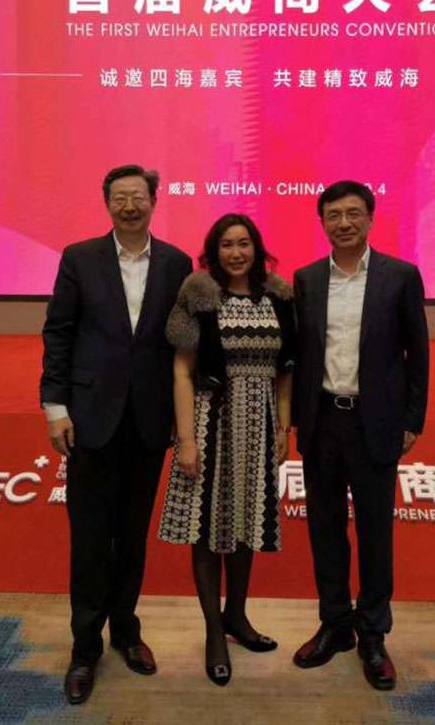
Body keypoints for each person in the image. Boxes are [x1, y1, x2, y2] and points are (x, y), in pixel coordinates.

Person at [40, 164, 192, 705]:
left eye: (138, 197)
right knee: (89, 539)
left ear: (154, 201)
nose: (129, 206)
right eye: (120, 197)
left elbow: (182, 345)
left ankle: (126, 630)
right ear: (107, 203)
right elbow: (59, 333)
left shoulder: (176, 263)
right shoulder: (80, 257)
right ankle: (85, 648)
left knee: (131, 536)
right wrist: (55, 407)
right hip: (89, 418)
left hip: (149, 420)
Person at [292, 180, 429, 691]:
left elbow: (418, 353)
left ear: (370, 218)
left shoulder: (400, 276)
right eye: (333, 215)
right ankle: (335, 625)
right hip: (322, 421)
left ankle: (373, 634)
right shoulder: (307, 279)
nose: (343, 223)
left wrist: (412, 420)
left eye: (353, 213)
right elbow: (302, 354)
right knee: (325, 529)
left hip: (376, 422)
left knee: (374, 532)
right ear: (322, 222)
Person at [158, 213, 295, 686]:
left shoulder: (278, 297)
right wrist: (186, 439)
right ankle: (214, 632)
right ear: (213, 252)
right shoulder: (200, 298)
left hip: (259, 426)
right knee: (206, 528)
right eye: (226, 245)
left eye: (244, 243)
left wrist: (283, 426)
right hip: (210, 421)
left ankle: (237, 615)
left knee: (245, 524)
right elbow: (181, 371)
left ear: (257, 248)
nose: (236, 253)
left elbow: (285, 369)